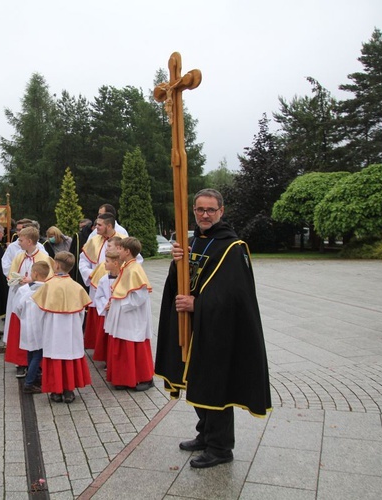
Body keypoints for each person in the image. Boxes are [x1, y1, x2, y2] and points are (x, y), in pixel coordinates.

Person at [154, 188, 272, 469]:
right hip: (195, 328)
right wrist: (177, 264)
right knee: (196, 381)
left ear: (221, 211)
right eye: (199, 209)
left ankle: (221, 447)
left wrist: (199, 304)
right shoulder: (193, 242)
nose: (204, 215)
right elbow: (183, 282)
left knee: (216, 384)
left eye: (210, 210)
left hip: (219, 329)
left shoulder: (233, 247)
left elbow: (234, 295)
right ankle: (205, 434)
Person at [32, 251, 92, 403]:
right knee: (69, 357)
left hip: (53, 331)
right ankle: (68, 391)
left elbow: (39, 312)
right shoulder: (77, 287)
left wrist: (40, 330)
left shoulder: (48, 286)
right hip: (71, 332)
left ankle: (56, 391)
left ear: (56, 265)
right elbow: (81, 315)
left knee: (55, 357)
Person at [104, 237, 154, 391]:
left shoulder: (135, 269)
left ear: (127, 251)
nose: (117, 251)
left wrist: (122, 306)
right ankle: (124, 378)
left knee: (134, 346)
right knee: (122, 345)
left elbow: (140, 296)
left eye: (119, 249)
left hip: (132, 316)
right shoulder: (127, 266)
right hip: (124, 315)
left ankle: (144, 378)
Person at [4, 226, 54, 378]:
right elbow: (11, 273)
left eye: (21, 240)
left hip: (36, 300)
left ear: (30, 241)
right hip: (20, 297)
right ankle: (21, 362)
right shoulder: (19, 256)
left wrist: (32, 280)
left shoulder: (44, 258)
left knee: (35, 331)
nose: (18, 243)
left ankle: (36, 365)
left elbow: (49, 278)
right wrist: (17, 279)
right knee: (20, 329)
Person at [16, 261, 50, 394]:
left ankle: (34, 377)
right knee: (38, 354)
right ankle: (29, 382)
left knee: (31, 352)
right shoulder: (48, 289)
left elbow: (17, 308)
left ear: (35, 274)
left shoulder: (23, 289)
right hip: (41, 326)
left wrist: (23, 318)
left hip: (26, 324)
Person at [83, 236, 120, 352]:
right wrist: (105, 304)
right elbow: (98, 295)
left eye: (109, 246)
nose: (106, 249)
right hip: (109, 310)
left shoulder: (125, 274)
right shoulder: (104, 278)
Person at [67, 218, 92, 290]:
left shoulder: (95, 237)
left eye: (84, 227)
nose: (82, 229)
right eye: (80, 227)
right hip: (79, 266)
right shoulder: (78, 236)